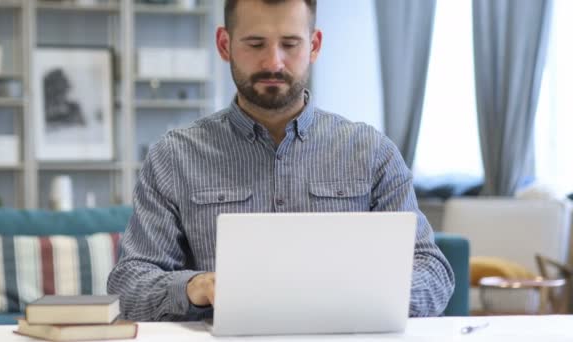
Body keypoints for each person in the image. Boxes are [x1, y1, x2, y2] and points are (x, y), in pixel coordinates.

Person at [107, 0, 454, 321]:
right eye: (255, 44)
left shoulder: (372, 153)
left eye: (290, 44)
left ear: (314, 45)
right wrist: (195, 288)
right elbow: (128, 286)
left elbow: (433, 273)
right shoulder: (174, 157)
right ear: (224, 45)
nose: (273, 62)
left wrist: (365, 295)